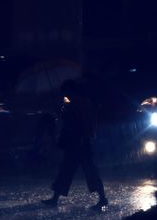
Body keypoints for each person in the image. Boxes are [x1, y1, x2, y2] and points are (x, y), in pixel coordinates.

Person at [42, 79, 108, 210]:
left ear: (71, 91)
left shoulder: (78, 104)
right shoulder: (83, 102)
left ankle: (102, 198)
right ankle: (102, 198)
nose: (65, 95)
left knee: (77, 170)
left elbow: (72, 121)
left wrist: (60, 112)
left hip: (79, 142)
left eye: (66, 92)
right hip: (81, 141)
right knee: (72, 170)